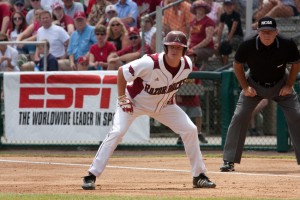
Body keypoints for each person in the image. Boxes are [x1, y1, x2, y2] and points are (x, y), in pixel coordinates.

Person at [81, 30, 216, 190]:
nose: (174, 50)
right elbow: (122, 72)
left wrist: (168, 98)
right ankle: (91, 175)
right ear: (165, 47)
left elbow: (172, 85)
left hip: (163, 106)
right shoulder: (149, 63)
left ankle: (199, 176)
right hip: (133, 103)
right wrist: (122, 98)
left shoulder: (186, 65)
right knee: (117, 132)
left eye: (178, 47)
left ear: (184, 50)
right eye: (171, 46)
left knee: (190, 129)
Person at [220, 16, 300, 172]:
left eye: (270, 32)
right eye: (263, 32)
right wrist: (245, 87)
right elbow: (237, 65)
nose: (267, 35)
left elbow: (296, 64)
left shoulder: (287, 43)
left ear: (276, 32)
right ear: (258, 32)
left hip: (281, 83)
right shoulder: (248, 44)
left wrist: (289, 85)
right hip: (254, 84)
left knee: (296, 115)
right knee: (240, 115)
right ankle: (229, 160)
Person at [186, 0, 215, 70]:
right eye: (197, 7)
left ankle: (193, 77)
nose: (200, 9)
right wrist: (186, 46)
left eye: (202, 7)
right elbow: (190, 37)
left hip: (206, 48)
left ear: (205, 9)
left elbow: (208, 39)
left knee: (191, 55)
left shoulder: (209, 22)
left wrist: (194, 47)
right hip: (193, 47)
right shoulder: (193, 22)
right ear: (195, 9)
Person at [217, 0, 244, 65]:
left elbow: (233, 28)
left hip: (238, 36)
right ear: (224, 6)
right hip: (228, 36)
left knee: (226, 45)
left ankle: (226, 64)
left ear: (233, 6)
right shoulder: (223, 15)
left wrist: (228, 39)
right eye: (227, 5)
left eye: (230, 5)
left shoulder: (236, 15)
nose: (228, 7)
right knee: (217, 47)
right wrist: (218, 41)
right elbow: (220, 28)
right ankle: (223, 64)